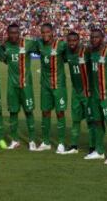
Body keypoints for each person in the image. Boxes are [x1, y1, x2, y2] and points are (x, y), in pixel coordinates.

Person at [0, 23, 39, 151]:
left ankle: (32, 141)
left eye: (16, 32)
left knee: (29, 111)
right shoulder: (6, 46)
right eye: (11, 33)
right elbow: (3, 58)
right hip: (12, 86)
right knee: (13, 112)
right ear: (8, 34)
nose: (14, 35)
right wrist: (3, 44)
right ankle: (15, 140)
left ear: (19, 33)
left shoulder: (28, 44)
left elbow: (42, 46)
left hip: (26, 85)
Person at [84, 29, 107, 165]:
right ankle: (99, 151)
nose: (93, 40)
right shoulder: (91, 53)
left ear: (102, 38)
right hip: (95, 96)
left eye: (96, 37)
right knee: (97, 122)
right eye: (91, 37)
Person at [37, 23, 68, 154]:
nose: (45, 35)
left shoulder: (60, 45)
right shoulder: (38, 44)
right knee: (45, 112)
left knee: (60, 112)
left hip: (58, 85)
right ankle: (45, 142)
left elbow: (70, 54)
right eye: (43, 32)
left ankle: (61, 143)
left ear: (52, 32)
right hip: (45, 85)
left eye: (47, 32)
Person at [63, 31, 96, 155]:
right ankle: (73, 146)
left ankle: (93, 147)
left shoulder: (86, 51)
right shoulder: (67, 52)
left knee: (90, 120)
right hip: (75, 91)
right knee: (75, 120)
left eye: (74, 41)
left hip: (87, 92)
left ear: (79, 40)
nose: (72, 43)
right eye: (69, 41)